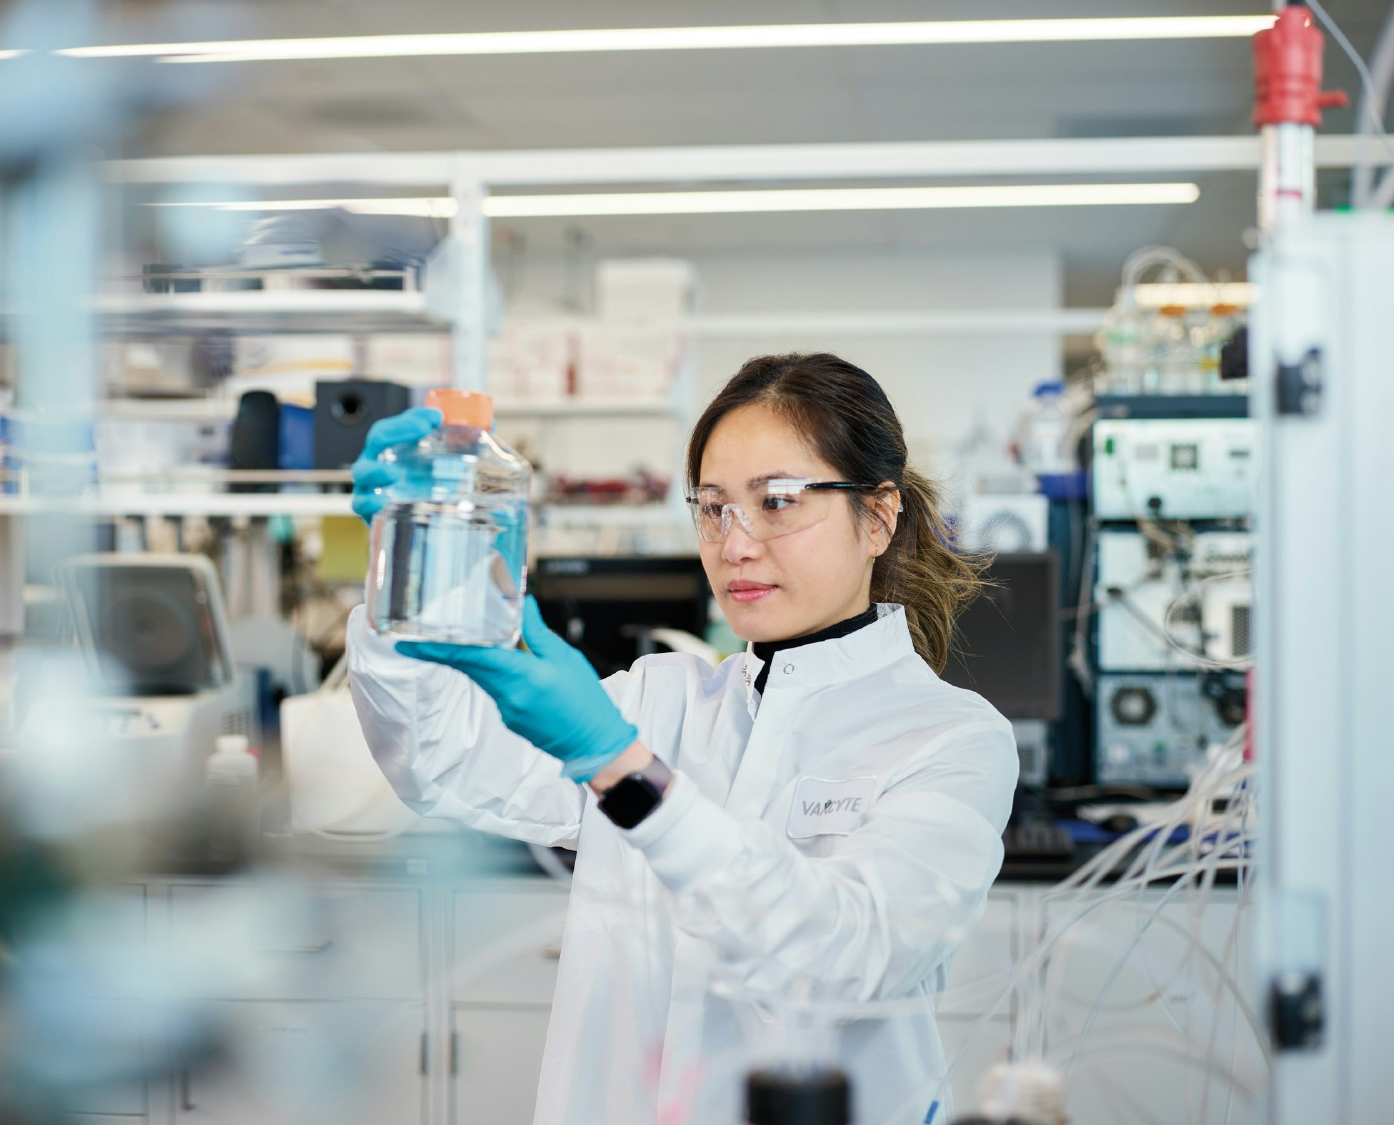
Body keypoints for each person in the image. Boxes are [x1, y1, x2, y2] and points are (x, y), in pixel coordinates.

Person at [346, 352, 1018, 1125]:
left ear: (879, 515)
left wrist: (624, 768)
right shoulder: (658, 699)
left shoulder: (951, 738)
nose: (734, 544)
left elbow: (850, 959)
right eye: (712, 506)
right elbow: (439, 759)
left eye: (777, 501)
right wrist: (405, 568)